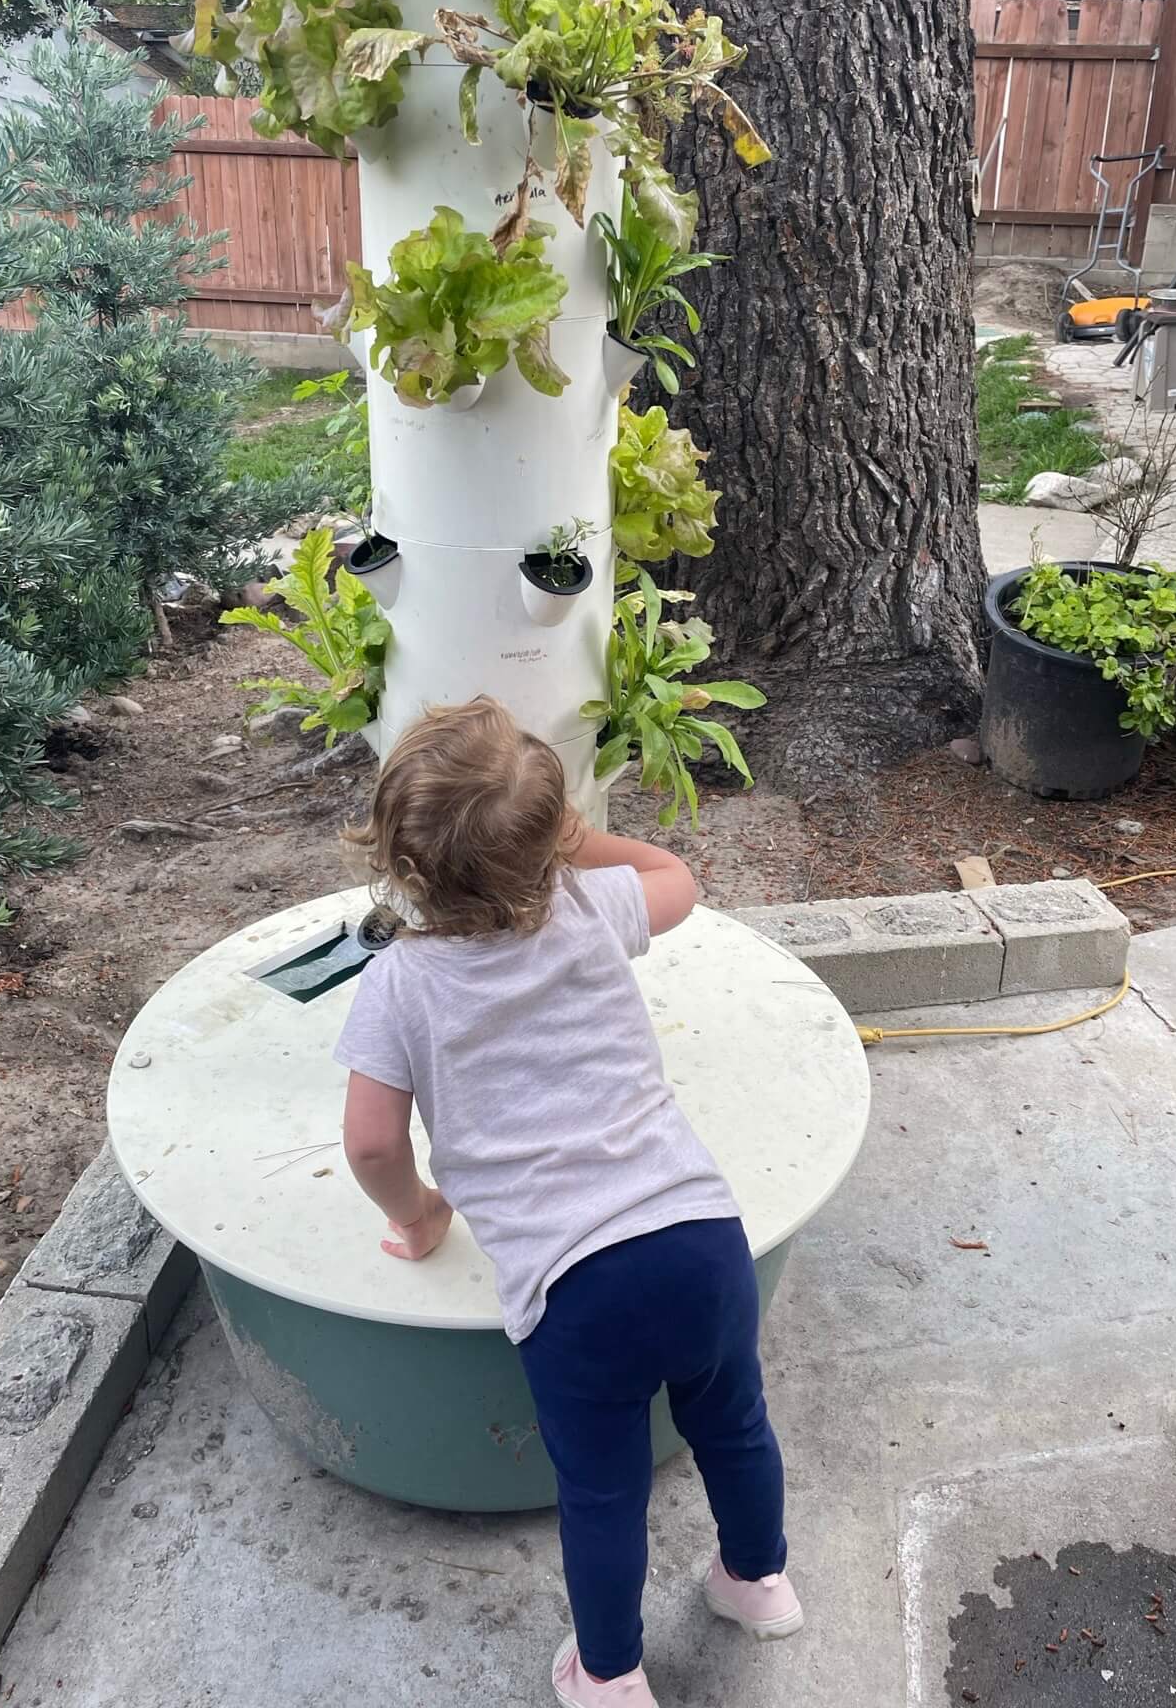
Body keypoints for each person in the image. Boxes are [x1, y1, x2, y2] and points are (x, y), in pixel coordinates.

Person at [334, 697, 802, 1707]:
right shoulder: (593, 905)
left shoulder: (400, 982)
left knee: (603, 1490)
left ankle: (609, 1671)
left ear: (402, 864)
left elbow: (371, 1140)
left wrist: (418, 1212)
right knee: (735, 1423)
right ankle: (758, 1581)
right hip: (703, 1238)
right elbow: (681, 877)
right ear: (558, 842)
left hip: (578, 1287)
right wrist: (583, 845)